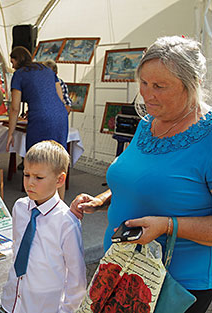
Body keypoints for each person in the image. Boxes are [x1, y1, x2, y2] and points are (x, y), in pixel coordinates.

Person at [71, 36, 212, 313]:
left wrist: (167, 225)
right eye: (144, 83)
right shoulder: (147, 124)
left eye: (159, 86)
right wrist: (103, 200)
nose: (147, 94)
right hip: (120, 267)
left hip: (176, 285)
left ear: (192, 84)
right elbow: (139, 179)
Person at [1, 140, 86, 313]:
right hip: (13, 300)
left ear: (60, 179)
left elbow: (76, 278)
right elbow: (18, 247)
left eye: (39, 177)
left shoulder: (66, 222)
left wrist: (66, 310)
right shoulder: (19, 207)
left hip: (44, 305)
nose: (30, 183)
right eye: (26, 175)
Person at [6, 46, 68, 199]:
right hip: (60, 116)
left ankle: (38, 202)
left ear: (17, 60)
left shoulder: (19, 75)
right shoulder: (47, 70)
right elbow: (60, 99)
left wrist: (10, 132)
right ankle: (60, 204)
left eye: (12, 61)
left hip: (41, 120)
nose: (12, 65)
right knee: (58, 160)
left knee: (35, 161)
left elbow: (14, 108)